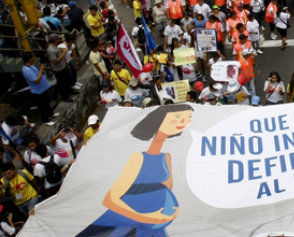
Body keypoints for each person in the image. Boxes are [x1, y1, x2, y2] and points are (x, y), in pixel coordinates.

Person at [75, 105, 193, 236]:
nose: (184, 121)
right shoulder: (138, 157)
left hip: (155, 222)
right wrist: (147, 218)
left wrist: (171, 210)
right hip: (131, 218)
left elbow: (167, 190)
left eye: (188, 118)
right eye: (178, 117)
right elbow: (110, 199)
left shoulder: (166, 157)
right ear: (160, 119)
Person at [21, 52, 56, 124]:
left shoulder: (32, 65)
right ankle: (45, 120)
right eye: (33, 57)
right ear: (29, 59)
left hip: (43, 87)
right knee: (42, 106)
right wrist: (41, 70)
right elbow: (36, 80)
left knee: (47, 102)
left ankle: (50, 113)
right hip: (38, 91)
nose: (35, 58)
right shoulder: (27, 70)